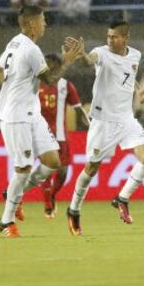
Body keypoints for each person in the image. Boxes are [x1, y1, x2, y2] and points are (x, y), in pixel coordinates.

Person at [0, 5, 83, 238]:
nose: (45, 25)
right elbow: (50, 79)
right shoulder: (31, 49)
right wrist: (68, 60)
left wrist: (11, 88)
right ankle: (6, 222)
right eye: (42, 21)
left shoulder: (14, 42)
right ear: (32, 24)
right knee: (23, 168)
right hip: (16, 116)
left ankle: (16, 195)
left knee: (53, 161)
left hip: (32, 113)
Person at [65, 21, 144, 236]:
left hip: (125, 119)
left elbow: (129, 75)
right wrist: (83, 55)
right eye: (108, 36)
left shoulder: (135, 55)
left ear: (126, 38)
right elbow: (89, 60)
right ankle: (74, 209)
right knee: (91, 168)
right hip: (103, 120)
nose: (110, 40)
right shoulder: (101, 53)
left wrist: (139, 91)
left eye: (114, 37)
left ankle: (122, 198)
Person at [38, 53, 89, 218]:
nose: (47, 66)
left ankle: (52, 194)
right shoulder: (35, 84)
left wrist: (85, 119)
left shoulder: (65, 85)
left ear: (57, 65)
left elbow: (77, 107)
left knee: (62, 172)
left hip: (60, 135)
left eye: (50, 63)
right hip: (41, 133)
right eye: (45, 63)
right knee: (46, 168)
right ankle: (47, 203)